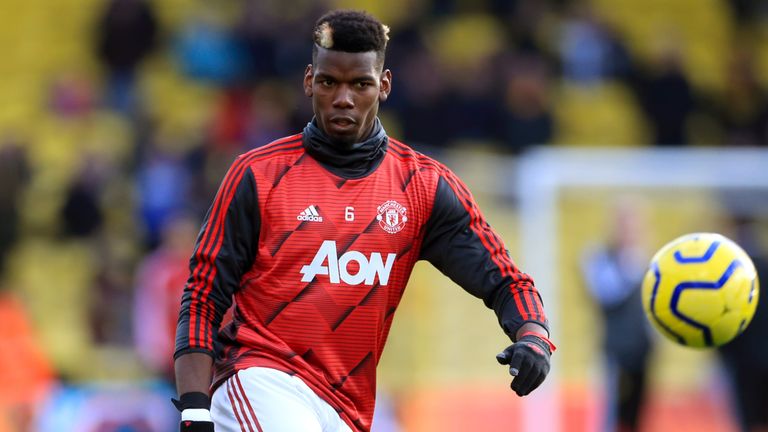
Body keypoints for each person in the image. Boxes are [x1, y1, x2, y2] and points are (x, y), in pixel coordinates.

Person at [172, 10, 554, 432]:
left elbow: (505, 281)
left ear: (384, 85)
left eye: (360, 84)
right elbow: (204, 294)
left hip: (346, 407)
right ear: (308, 82)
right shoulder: (257, 175)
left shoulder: (423, 188)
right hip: (260, 377)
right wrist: (194, 406)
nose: (343, 98)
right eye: (328, 82)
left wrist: (533, 335)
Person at [580, 200, 654, 432]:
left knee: (638, 414)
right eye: (626, 223)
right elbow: (606, 293)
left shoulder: (645, 258)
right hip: (615, 349)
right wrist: (629, 266)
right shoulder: (600, 256)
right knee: (609, 415)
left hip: (642, 349)